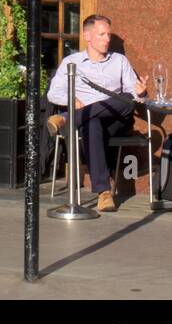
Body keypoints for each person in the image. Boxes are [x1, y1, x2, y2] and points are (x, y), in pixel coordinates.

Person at [47, 14, 148, 212]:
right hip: (88, 123)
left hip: (116, 120)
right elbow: (53, 93)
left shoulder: (119, 60)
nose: (107, 39)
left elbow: (134, 96)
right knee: (92, 123)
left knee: (126, 98)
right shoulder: (71, 62)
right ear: (87, 36)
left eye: (108, 35)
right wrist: (71, 101)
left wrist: (141, 92)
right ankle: (104, 193)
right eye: (102, 35)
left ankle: (66, 119)